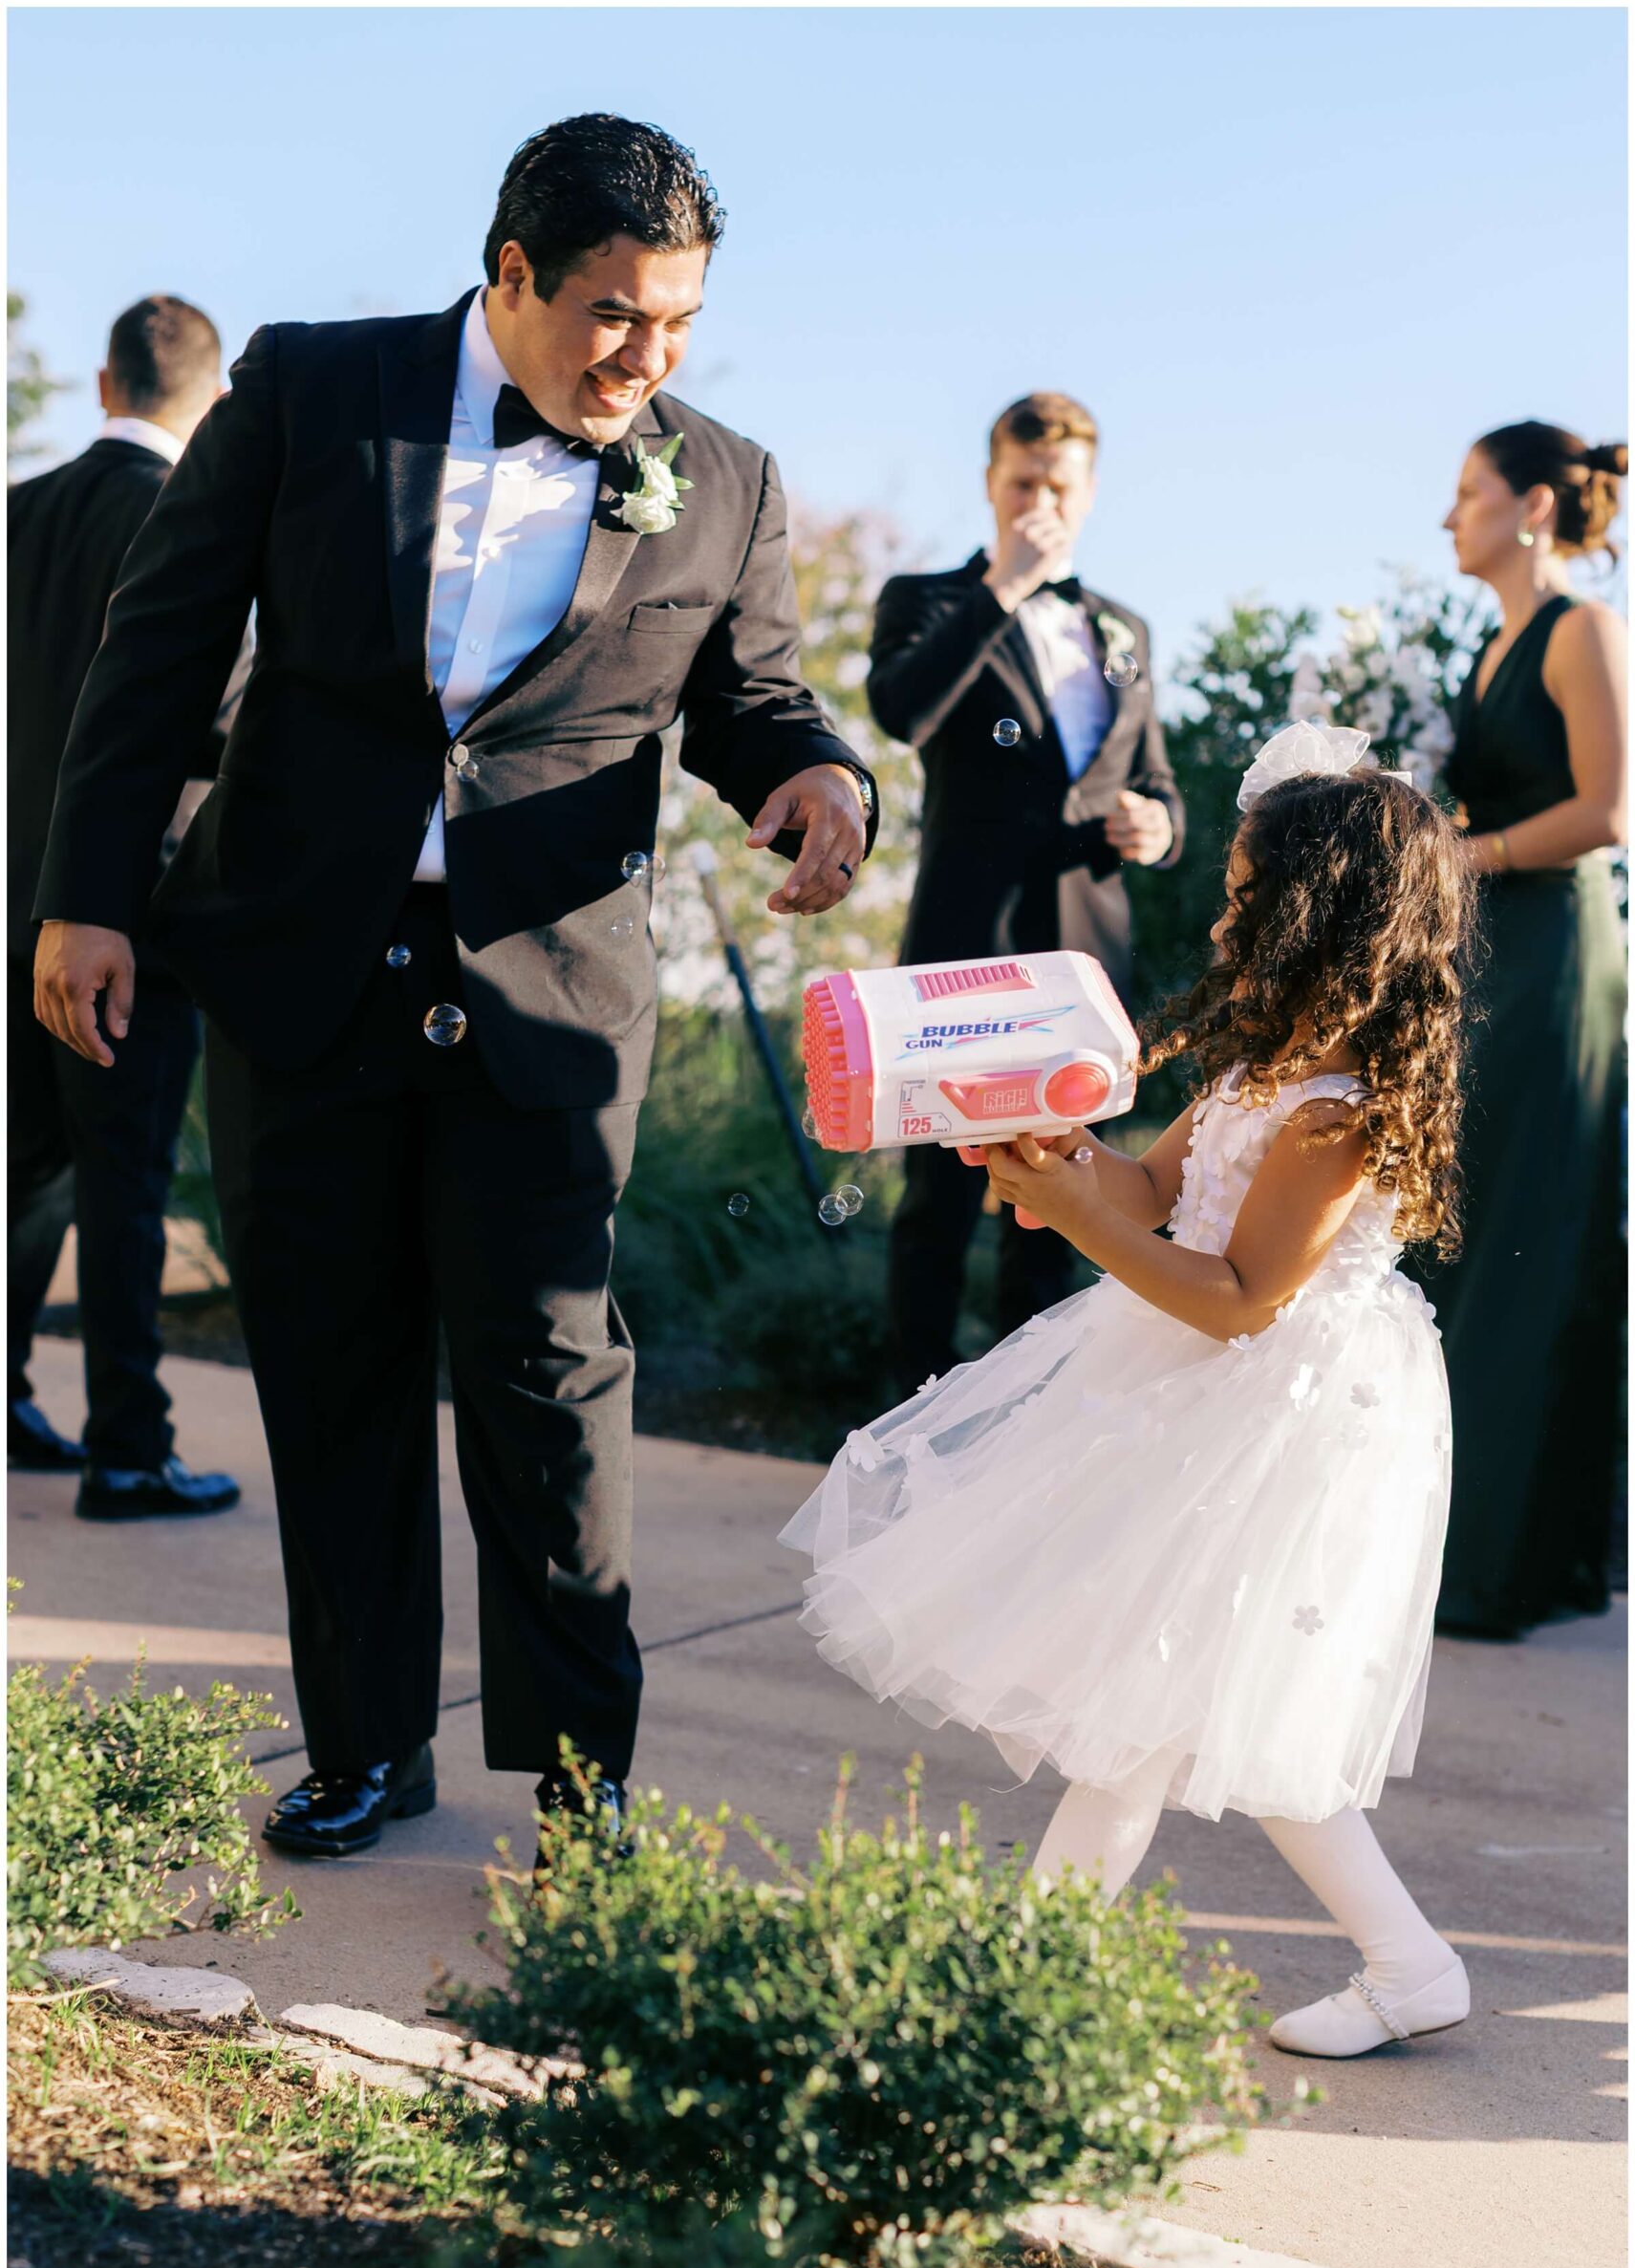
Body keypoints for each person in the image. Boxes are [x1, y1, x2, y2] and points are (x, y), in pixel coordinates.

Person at [34, 114, 876, 1858]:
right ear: (508, 274)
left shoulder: (721, 476)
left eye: (681, 326)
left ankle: (582, 1783)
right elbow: (159, 644)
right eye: (615, 318)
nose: (647, 362)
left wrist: (820, 778)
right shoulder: (310, 390)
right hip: (305, 971)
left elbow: (755, 698)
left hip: (552, 1004)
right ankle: (365, 1748)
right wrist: (89, 899)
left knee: (549, 1386)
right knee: (331, 1379)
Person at [784, 722, 1475, 2061]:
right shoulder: (1254, 1069)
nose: (1223, 906)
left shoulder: (1336, 1110)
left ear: (1311, 914)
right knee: (1170, 1704)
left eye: (1243, 889)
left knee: (1151, 1702)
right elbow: (1151, 1194)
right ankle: (1407, 1962)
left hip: (1273, 1415)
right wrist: (1048, 1154)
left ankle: (1014, 1995)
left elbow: (1236, 1300)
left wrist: (1076, 1217)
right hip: (1193, 1393)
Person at [868, 393, 1185, 1393]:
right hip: (967, 943)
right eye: (1020, 481)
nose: (1037, 500)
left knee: (1062, 1192)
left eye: (1057, 485)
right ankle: (911, 1410)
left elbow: (1160, 780)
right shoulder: (925, 599)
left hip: (1082, 949)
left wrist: (1159, 825)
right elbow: (901, 710)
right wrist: (1001, 588)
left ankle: (1024, 1423)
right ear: (990, 483)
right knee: (940, 1195)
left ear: (1087, 492)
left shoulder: (1124, 626)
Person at [9, 294, 245, 1520]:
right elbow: (211, 720)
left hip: (7, 901)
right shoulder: (182, 515)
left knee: (26, 1165)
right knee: (123, 1180)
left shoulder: (13, 516)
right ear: (208, 404)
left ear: (105, 387)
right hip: (121, 915)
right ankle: (128, 1447)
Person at [1418, 423, 1627, 1640]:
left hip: (1556, 953)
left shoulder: (1581, 631)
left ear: (1531, 506)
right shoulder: (1487, 644)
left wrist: (1466, 851)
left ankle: (1502, 1563)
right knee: (1467, 1222)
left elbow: (1607, 807)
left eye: (1465, 494)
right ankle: (1480, 1542)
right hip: (1484, 946)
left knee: (1522, 1227)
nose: (1448, 517)